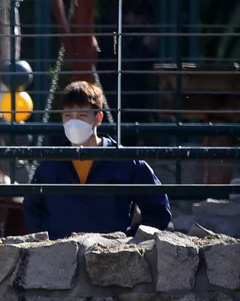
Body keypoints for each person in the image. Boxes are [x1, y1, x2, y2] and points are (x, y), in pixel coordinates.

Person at [22, 81, 171, 239]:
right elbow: (31, 207)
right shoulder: (49, 164)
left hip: (111, 256)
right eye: (68, 115)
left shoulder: (126, 161)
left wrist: (131, 240)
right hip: (60, 257)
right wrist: (46, 244)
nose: (74, 121)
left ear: (98, 117)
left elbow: (159, 210)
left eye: (82, 115)